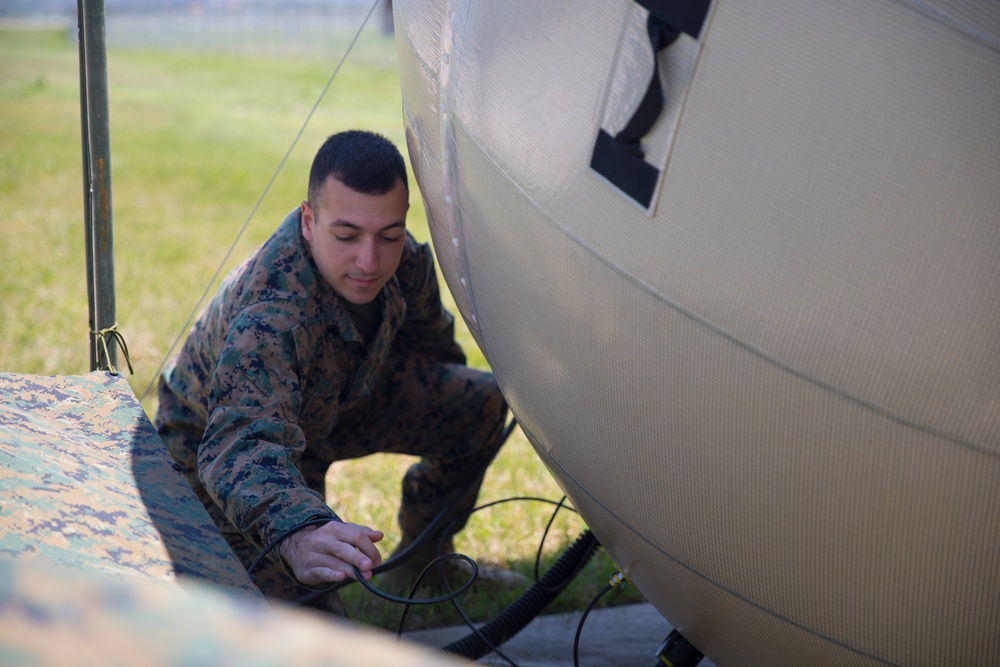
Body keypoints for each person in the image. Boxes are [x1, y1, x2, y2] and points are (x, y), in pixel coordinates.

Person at [154, 129, 514, 613]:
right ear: (309, 220)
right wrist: (298, 531)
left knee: (481, 402)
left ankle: (424, 560)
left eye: (389, 234)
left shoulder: (403, 261)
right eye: (346, 236)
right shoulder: (272, 314)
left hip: (334, 406)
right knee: (309, 636)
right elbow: (239, 446)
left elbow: (433, 356)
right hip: (221, 457)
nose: (369, 261)